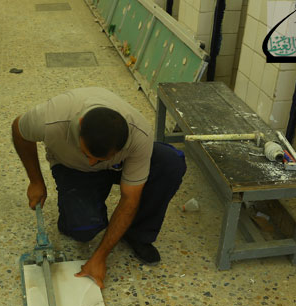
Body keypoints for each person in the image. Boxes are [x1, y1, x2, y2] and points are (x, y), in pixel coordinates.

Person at [11, 87, 186, 288]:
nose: (92, 163)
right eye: (87, 154)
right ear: (80, 125)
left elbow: (130, 198)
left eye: (99, 159)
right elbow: (19, 130)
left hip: (117, 166)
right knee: (83, 229)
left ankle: (137, 234)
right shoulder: (51, 119)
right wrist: (35, 180)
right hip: (73, 167)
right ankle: (77, 209)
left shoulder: (139, 135)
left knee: (170, 163)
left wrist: (100, 257)